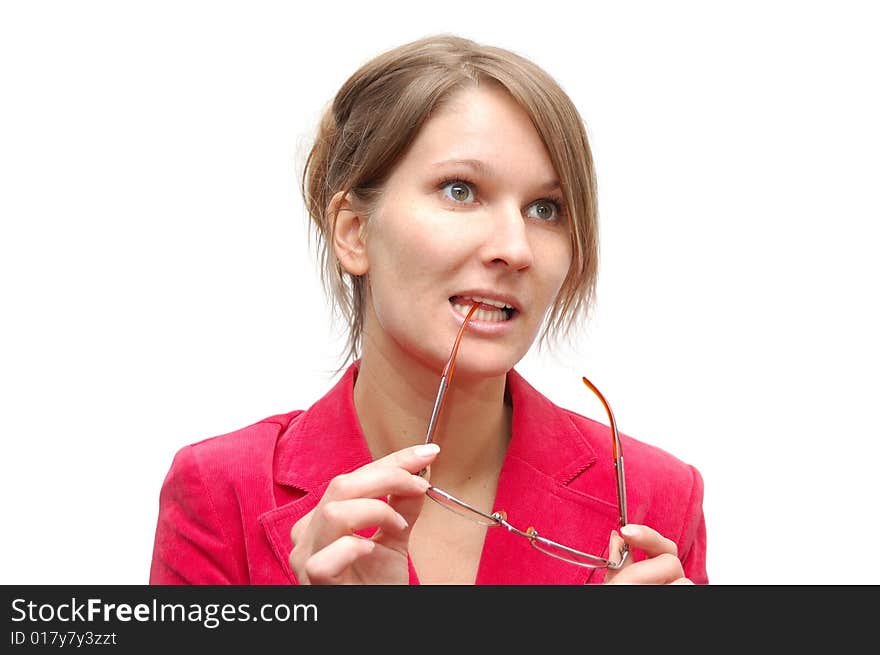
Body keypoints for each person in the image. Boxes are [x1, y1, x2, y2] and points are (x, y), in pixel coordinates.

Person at [149, 34, 708, 585]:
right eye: (460, 191)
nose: (514, 249)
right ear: (354, 232)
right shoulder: (221, 493)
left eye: (546, 208)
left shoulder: (657, 497)